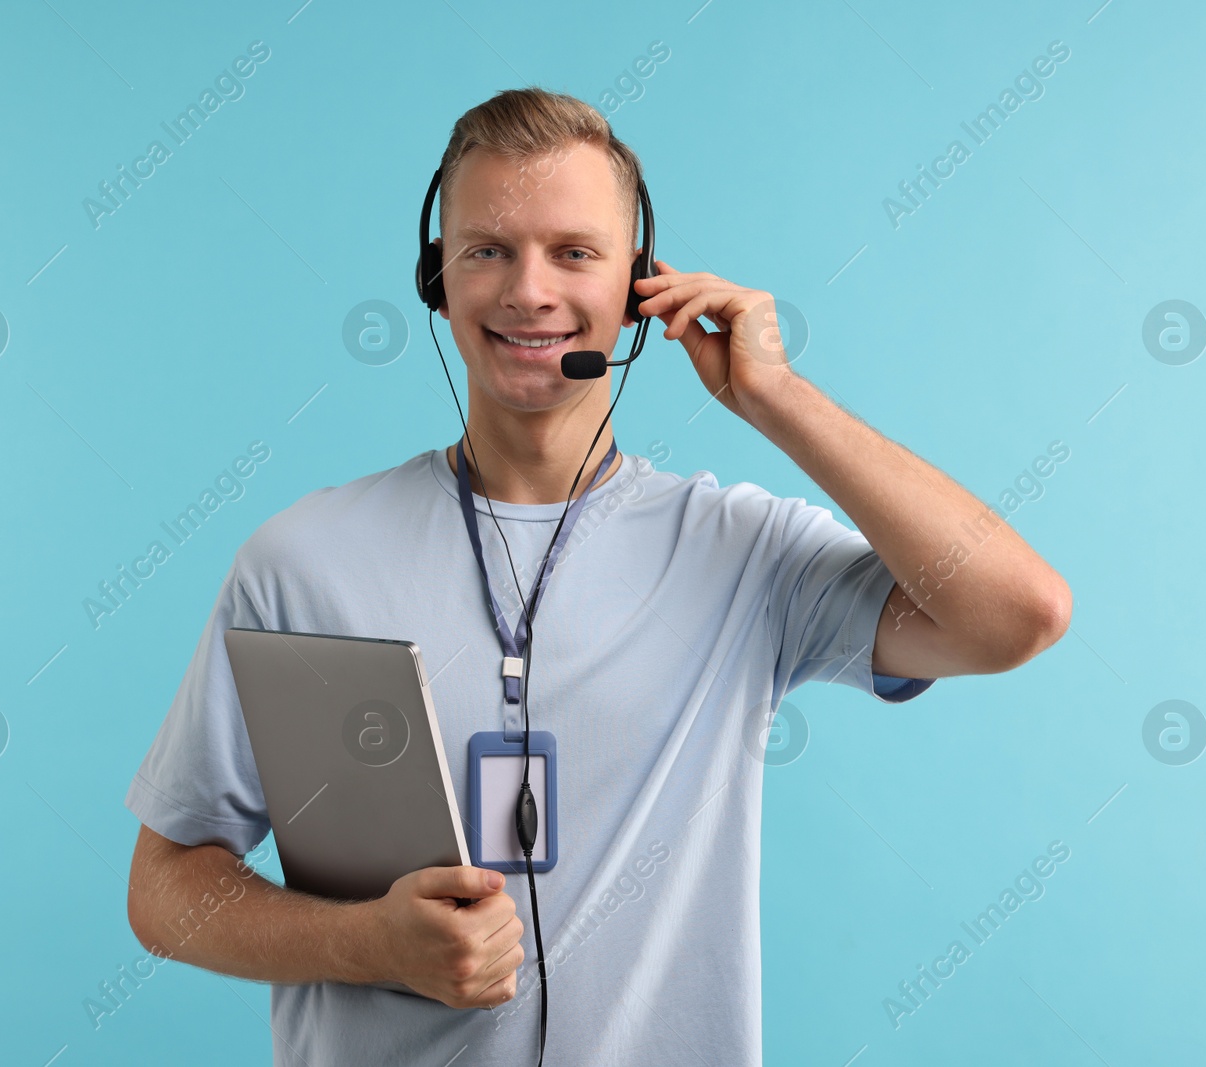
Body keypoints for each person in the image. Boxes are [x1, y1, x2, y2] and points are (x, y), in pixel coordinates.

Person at [123, 87, 1071, 1065]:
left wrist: (777, 399)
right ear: (435, 277)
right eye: (487, 248)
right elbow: (162, 886)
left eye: (573, 252)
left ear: (637, 287)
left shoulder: (740, 551)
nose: (528, 290)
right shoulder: (302, 558)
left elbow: (1017, 612)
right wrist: (364, 942)